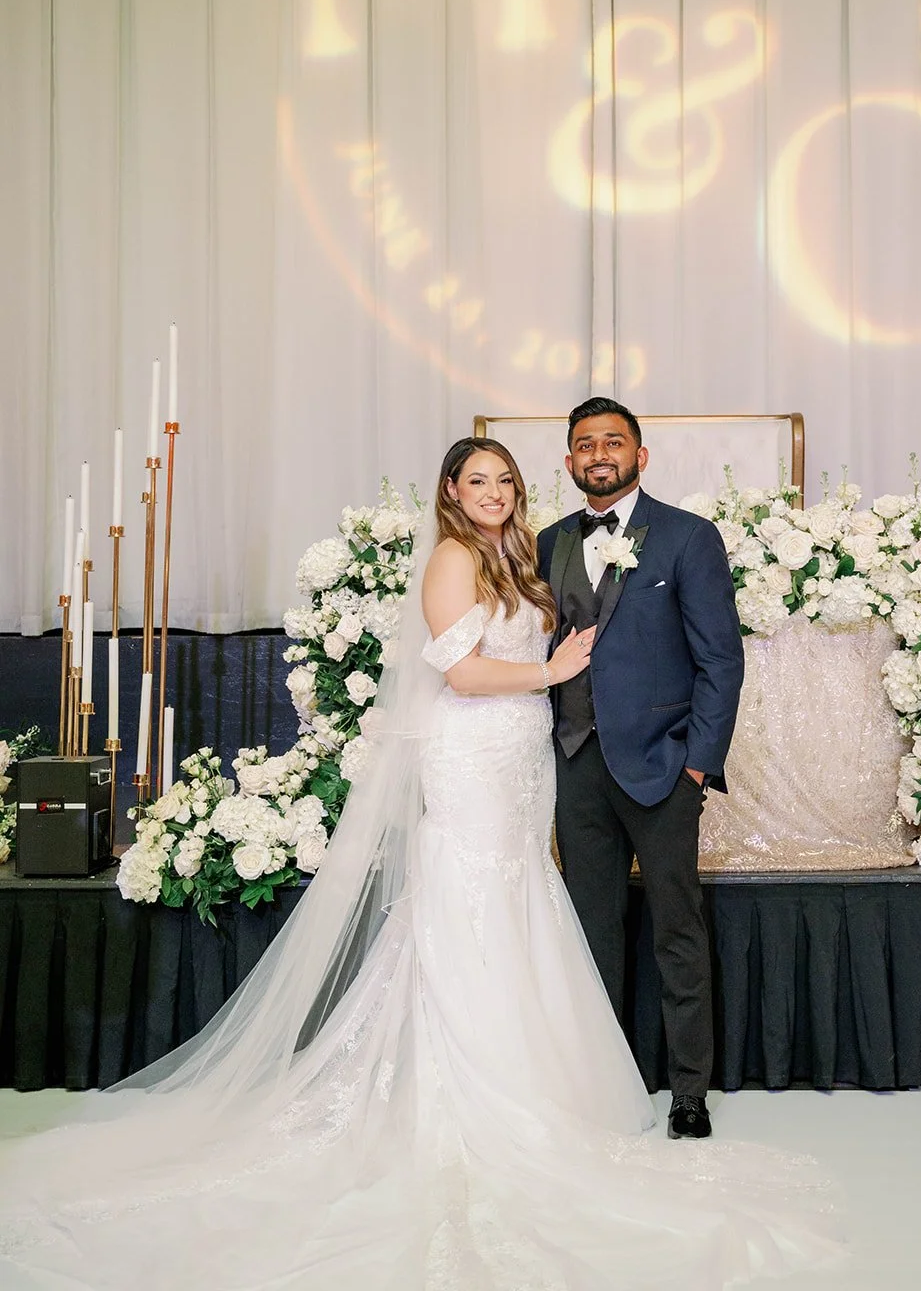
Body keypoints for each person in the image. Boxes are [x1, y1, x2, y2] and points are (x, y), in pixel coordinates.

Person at [0, 438, 839, 1290]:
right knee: (473, 898)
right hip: (476, 750)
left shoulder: (532, 550)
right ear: (450, 489)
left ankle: (595, 1084)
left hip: (540, 759)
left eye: (505, 480)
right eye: (478, 480)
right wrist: (546, 669)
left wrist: (689, 755)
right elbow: (460, 671)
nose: (495, 492)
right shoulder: (453, 557)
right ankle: (471, 1092)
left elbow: (708, 654)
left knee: (532, 902)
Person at [539, 399, 745, 1139]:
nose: (599, 453)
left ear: (639, 455)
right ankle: (604, 1085)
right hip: (575, 765)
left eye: (613, 442)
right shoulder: (549, 541)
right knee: (591, 930)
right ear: (568, 462)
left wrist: (698, 766)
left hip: (663, 767)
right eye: (584, 445)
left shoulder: (688, 537)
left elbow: (720, 659)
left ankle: (688, 1090)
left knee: (675, 930)